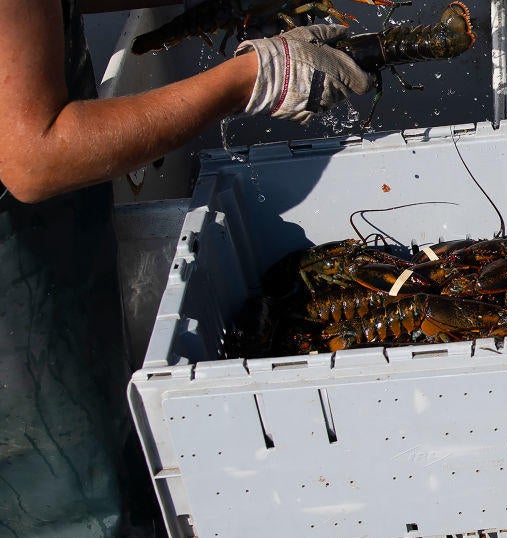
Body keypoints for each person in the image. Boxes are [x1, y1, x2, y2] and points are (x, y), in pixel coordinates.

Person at [0, 1, 371, 535]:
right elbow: (35, 160)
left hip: (47, 251)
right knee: (62, 494)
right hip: (18, 280)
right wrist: (252, 79)